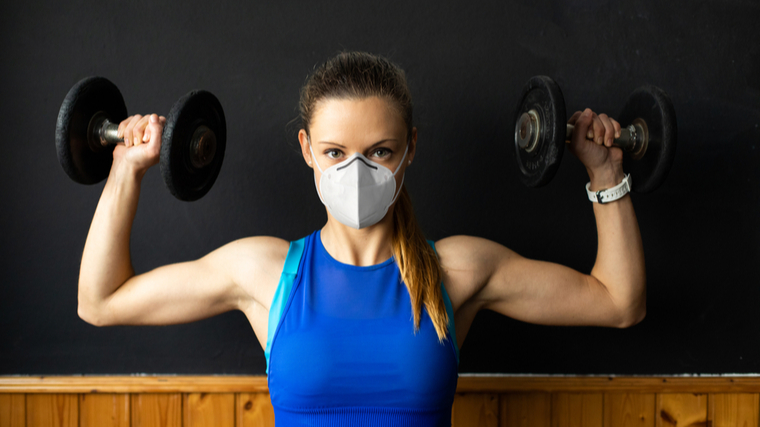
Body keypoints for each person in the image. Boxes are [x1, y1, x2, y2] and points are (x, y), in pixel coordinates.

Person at [77, 51, 645, 426]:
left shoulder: (459, 271)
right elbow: (101, 303)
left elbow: (619, 303)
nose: (358, 171)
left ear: (410, 149)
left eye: (379, 152)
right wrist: (127, 169)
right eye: (334, 153)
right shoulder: (265, 273)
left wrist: (604, 172)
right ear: (307, 150)